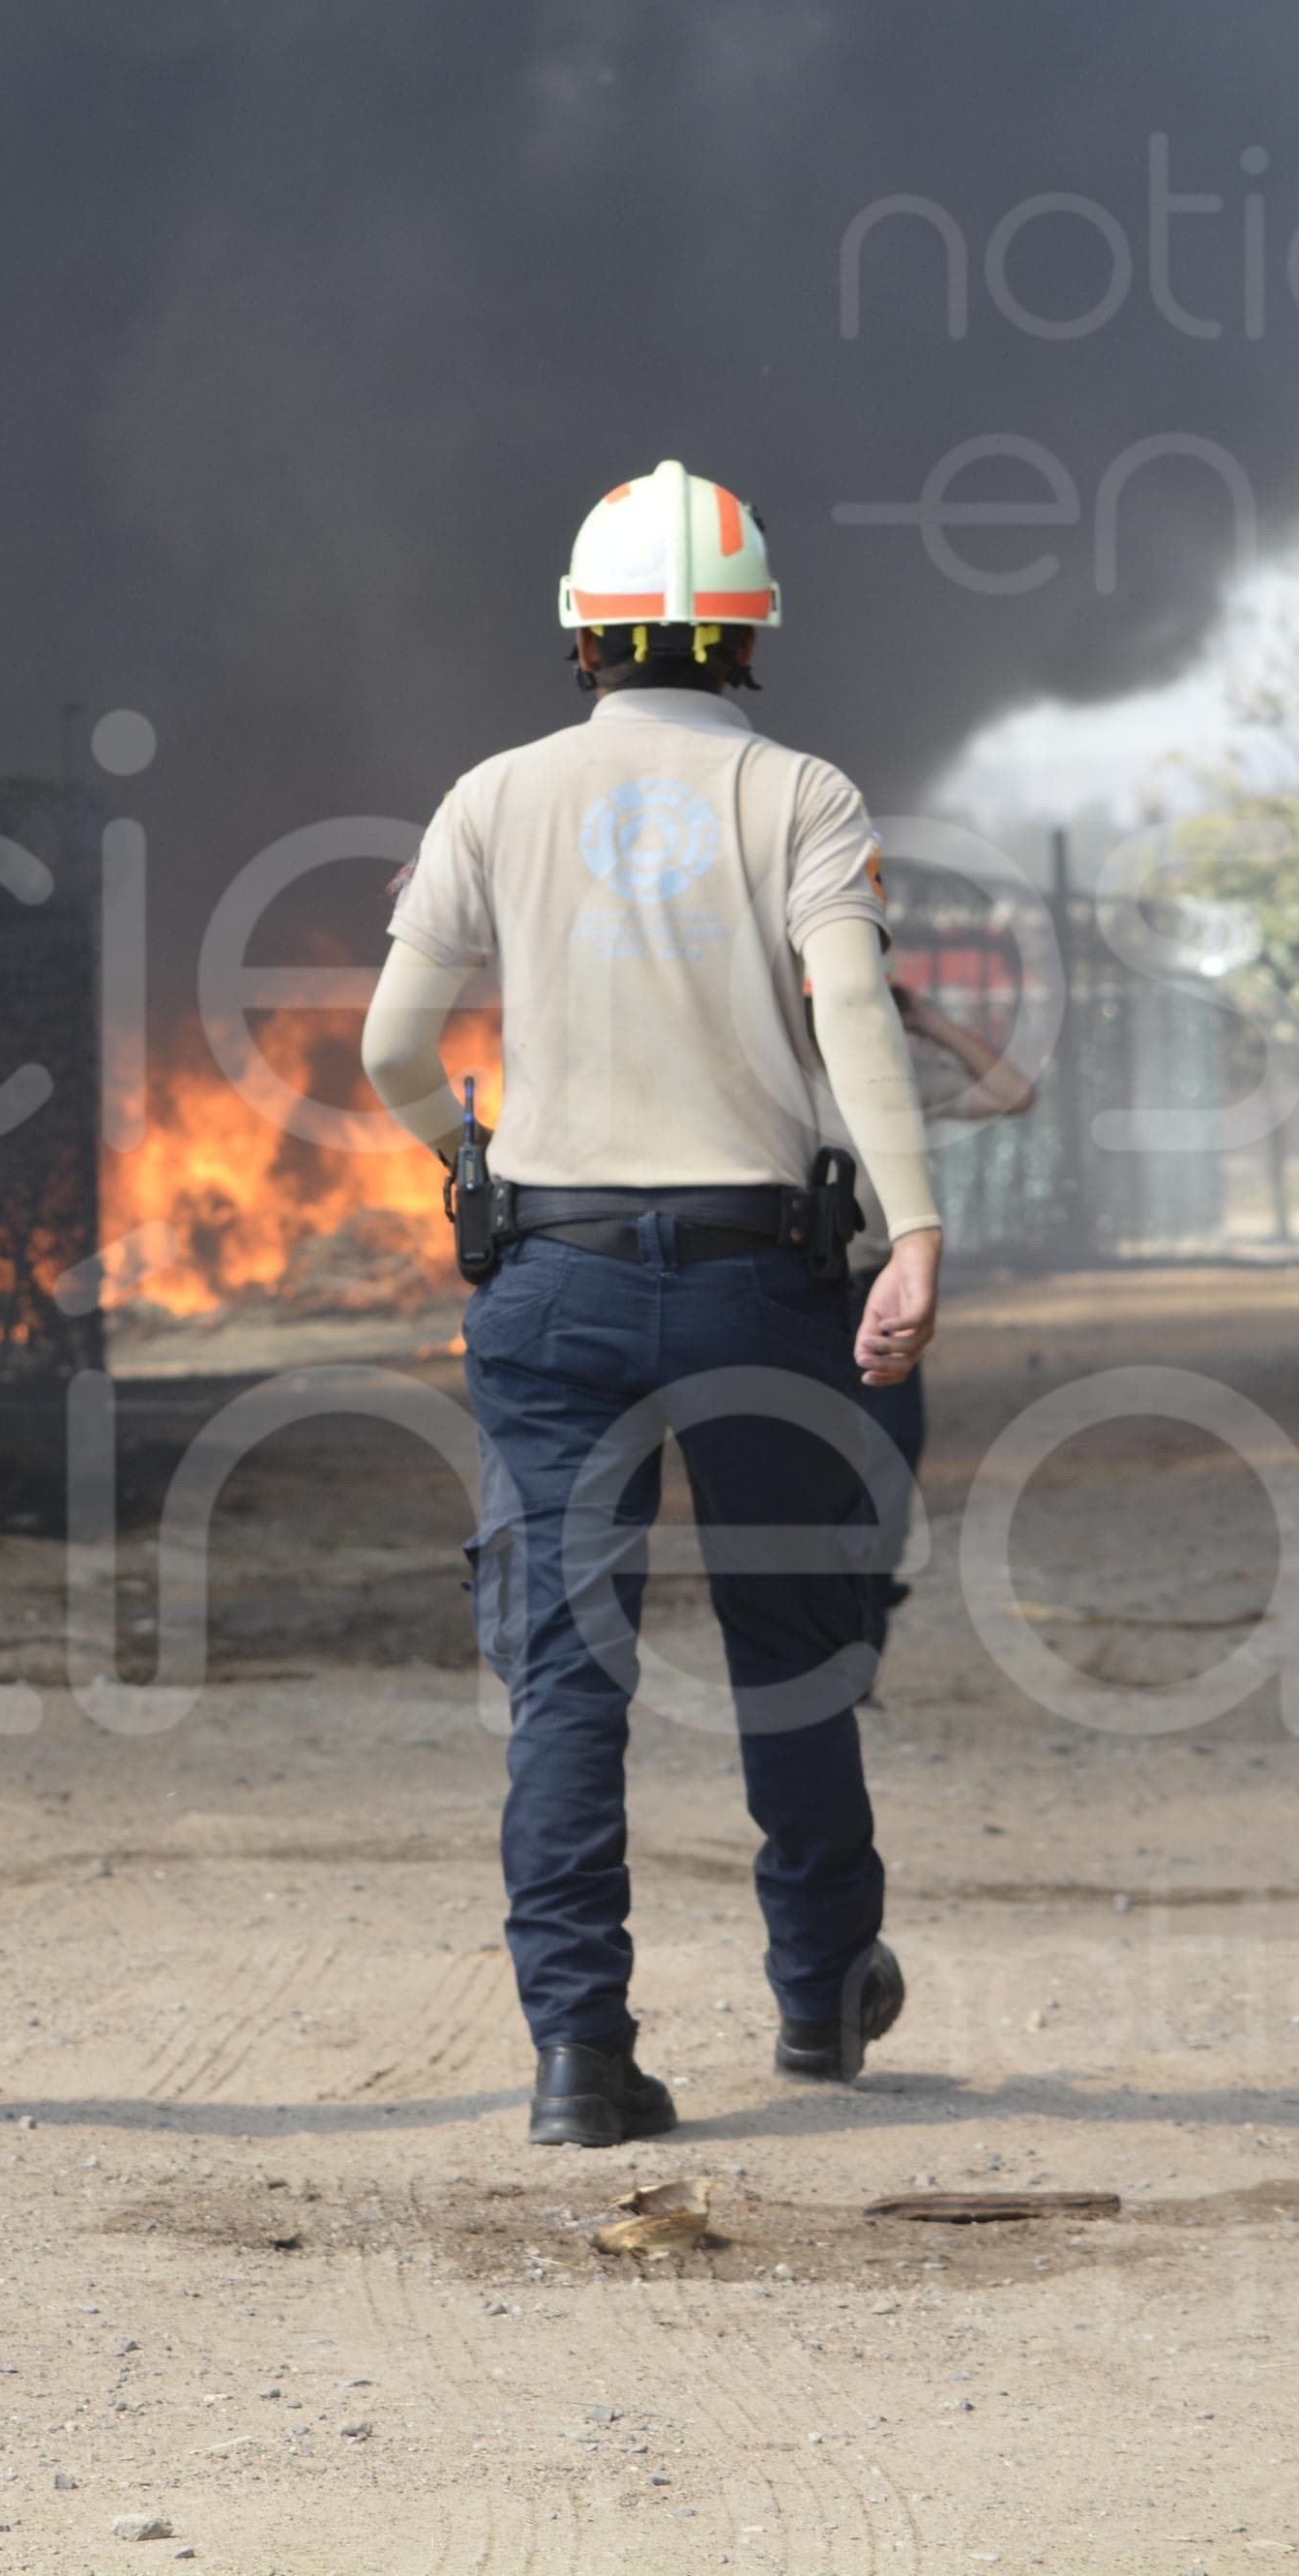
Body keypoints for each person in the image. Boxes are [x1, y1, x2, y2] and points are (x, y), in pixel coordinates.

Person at [361, 460, 948, 2145]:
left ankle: (579, 2056)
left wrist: (462, 1151)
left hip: (556, 1286)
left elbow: (393, 1050)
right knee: (792, 1647)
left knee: (567, 1677)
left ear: (582, 637)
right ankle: (824, 1989)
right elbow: (855, 1021)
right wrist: (912, 1228)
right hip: (766, 1278)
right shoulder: (802, 796)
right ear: (747, 634)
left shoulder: (493, 796)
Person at [823, 985, 1034, 1652]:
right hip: (784, 1293)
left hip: (873, 1291)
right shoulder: (763, 1073)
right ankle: (814, 1631)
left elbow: (1012, 1093)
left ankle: (863, 1635)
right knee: (802, 1462)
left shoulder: (893, 1078)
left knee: (890, 1454)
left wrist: (929, 1021)